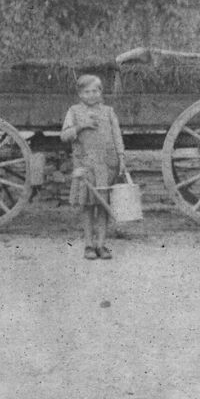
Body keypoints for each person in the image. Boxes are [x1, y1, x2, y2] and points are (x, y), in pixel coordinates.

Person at [61, 74, 126, 260]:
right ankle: (89, 245)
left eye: (95, 91)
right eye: (86, 92)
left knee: (104, 206)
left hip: (107, 165)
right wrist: (81, 126)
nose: (91, 95)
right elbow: (64, 136)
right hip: (85, 165)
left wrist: (121, 158)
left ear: (100, 92)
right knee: (88, 206)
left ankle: (101, 245)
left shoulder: (108, 111)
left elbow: (117, 136)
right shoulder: (74, 112)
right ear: (80, 94)